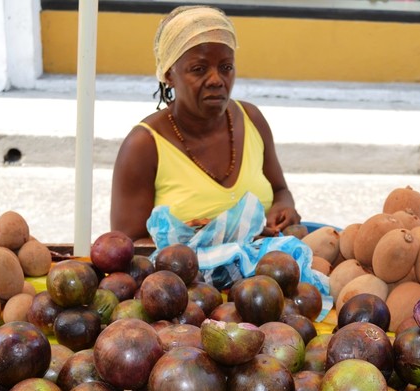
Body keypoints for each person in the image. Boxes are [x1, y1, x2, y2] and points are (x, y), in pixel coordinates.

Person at [110, 5, 302, 242]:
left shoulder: (251, 119)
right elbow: (125, 245)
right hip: (181, 279)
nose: (216, 80)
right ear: (169, 74)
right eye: (199, 69)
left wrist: (283, 208)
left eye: (226, 67)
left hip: (267, 275)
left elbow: (280, 191)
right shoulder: (144, 145)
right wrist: (208, 238)